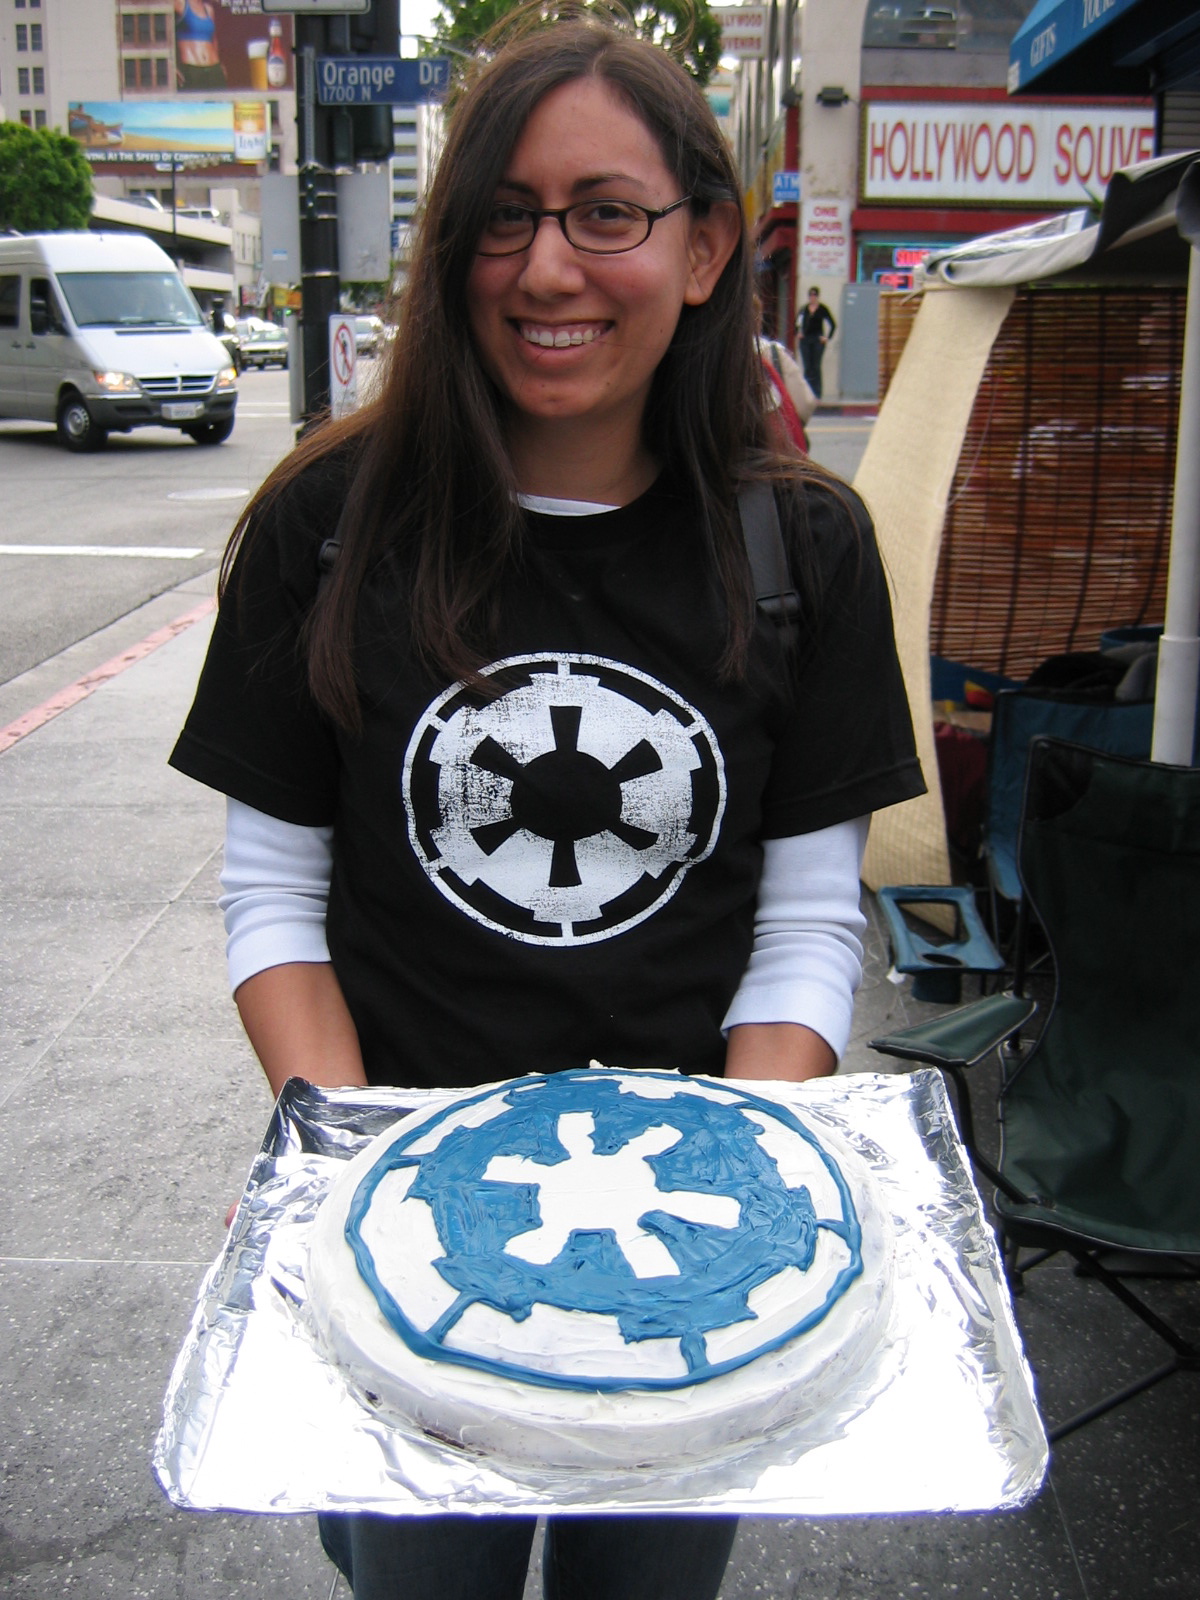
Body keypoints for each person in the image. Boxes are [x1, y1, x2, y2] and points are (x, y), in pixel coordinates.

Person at [169, 15, 924, 1599]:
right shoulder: (329, 524)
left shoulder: (808, 551)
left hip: (683, 1270)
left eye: (607, 213)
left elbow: (800, 933)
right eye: (501, 216)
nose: (547, 268)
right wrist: (348, 1166)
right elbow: (272, 905)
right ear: (451, 254)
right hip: (399, 1244)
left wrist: (735, 1199)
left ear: (706, 246)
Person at [795, 285, 836, 400]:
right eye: (811, 295)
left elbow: (833, 324)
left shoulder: (822, 309)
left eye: (814, 295)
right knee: (807, 366)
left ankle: (817, 393)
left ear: (817, 297)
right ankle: (806, 392)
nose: (812, 298)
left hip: (817, 340)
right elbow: (797, 323)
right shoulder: (804, 310)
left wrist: (827, 337)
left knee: (816, 366)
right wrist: (798, 333)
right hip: (806, 340)